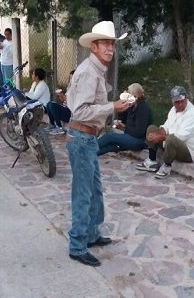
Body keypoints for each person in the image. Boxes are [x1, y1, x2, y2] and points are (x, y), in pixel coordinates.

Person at [66, 21, 131, 267]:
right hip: (81, 137)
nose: (111, 48)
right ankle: (77, 245)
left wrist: (114, 106)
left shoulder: (96, 71)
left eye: (113, 43)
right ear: (93, 46)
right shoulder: (88, 72)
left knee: (95, 191)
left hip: (87, 138)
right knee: (83, 194)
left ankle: (91, 235)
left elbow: (89, 107)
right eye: (105, 43)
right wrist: (112, 106)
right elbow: (80, 111)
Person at [138, 85, 194, 179]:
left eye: (182, 101)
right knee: (151, 129)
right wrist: (157, 134)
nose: (180, 104)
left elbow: (180, 137)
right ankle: (152, 161)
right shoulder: (173, 110)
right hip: (170, 143)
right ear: (173, 102)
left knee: (171, 139)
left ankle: (167, 166)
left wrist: (160, 137)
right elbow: (166, 127)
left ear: (186, 99)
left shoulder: (192, 114)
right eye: (177, 102)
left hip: (188, 151)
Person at [97, 83, 153, 155]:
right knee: (110, 146)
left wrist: (124, 127)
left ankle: (86, 149)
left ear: (135, 96)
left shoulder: (143, 109)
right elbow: (123, 120)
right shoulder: (131, 106)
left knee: (109, 137)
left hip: (139, 141)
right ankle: (86, 155)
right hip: (130, 137)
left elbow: (139, 132)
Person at [45, 70, 74, 135]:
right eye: (70, 78)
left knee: (52, 105)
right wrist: (61, 96)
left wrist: (65, 97)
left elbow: (73, 102)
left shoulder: (78, 89)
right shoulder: (69, 88)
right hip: (65, 109)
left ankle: (59, 127)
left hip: (71, 113)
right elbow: (64, 100)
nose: (71, 80)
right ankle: (52, 124)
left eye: (73, 78)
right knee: (49, 104)